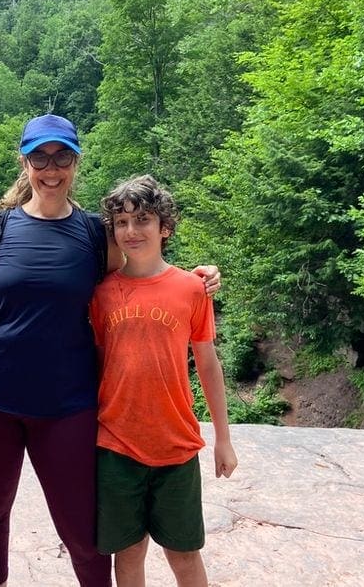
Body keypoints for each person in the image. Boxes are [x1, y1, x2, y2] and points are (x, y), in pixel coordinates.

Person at [0, 114, 221, 587]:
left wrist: (195, 278)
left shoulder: (95, 235)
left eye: (62, 157)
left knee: (82, 530)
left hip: (67, 405)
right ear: (25, 161)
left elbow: (138, 280)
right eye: (40, 157)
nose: (50, 168)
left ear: (76, 162)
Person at [89, 175, 237, 587]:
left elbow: (208, 363)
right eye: (121, 222)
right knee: (128, 553)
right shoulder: (100, 293)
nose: (131, 231)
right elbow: (99, 362)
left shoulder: (192, 288)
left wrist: (223, 438)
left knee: (184, 554)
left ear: (165, 227)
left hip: (176, 445)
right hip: (115, 444)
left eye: (143, 220)